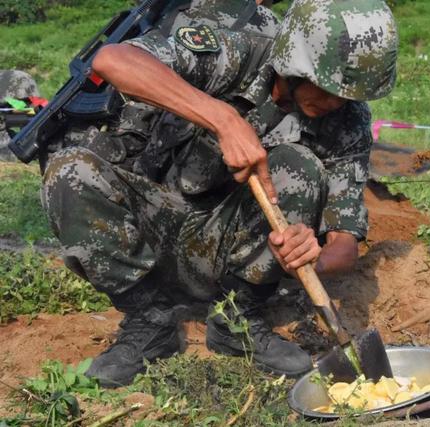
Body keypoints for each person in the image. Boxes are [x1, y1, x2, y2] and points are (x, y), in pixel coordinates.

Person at [41, 0, 398, 387]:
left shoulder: (348, 120)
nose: (335, 102)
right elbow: (113, 60)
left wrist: (310, 260)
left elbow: (345, 240)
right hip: (150, 230)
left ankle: (237, 320)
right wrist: (223, 119)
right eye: (327, 86)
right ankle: (149, 324)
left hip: (227, 253)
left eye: (347, 94)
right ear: (293, 59)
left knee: (299, 165)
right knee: (69, 170)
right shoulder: (235, 53)